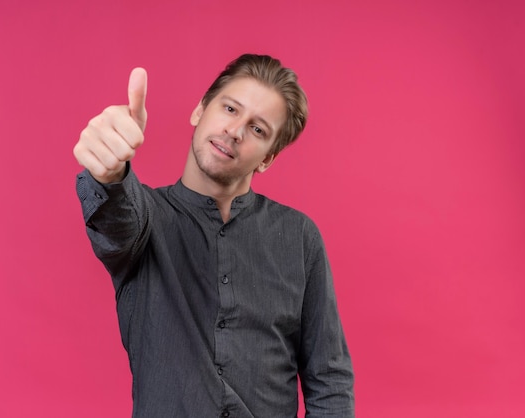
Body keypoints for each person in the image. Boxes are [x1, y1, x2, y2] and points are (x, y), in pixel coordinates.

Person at [73, 54, 354, 418]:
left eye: (258, 129)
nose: (235, 131)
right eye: (230, 109)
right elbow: (117, 217)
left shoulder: (300, 237)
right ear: (200, 110)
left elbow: (328, 378)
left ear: (268, 158)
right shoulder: (146, 221)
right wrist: (109, 174)